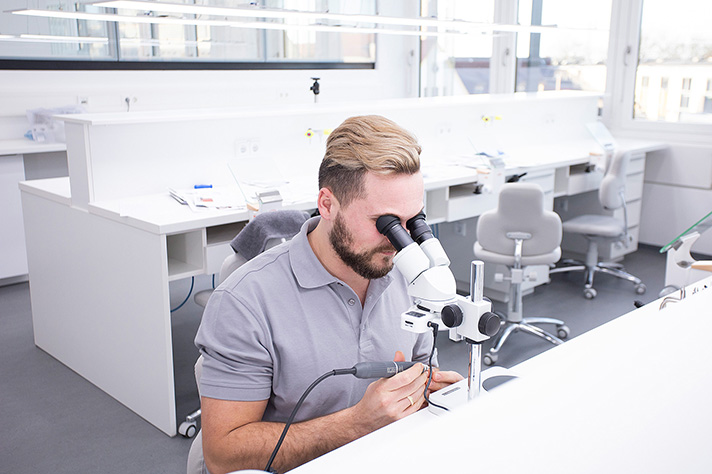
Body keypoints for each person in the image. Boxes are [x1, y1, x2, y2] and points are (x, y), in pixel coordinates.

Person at [193, 115, 463, 474]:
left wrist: (428, 392)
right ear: (327, 204)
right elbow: (223, 455)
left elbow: (421, 371)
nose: (400, 242)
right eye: (385, 223)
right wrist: (357, 423)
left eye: (412, 222)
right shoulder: (244, 302)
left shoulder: (408, 274)